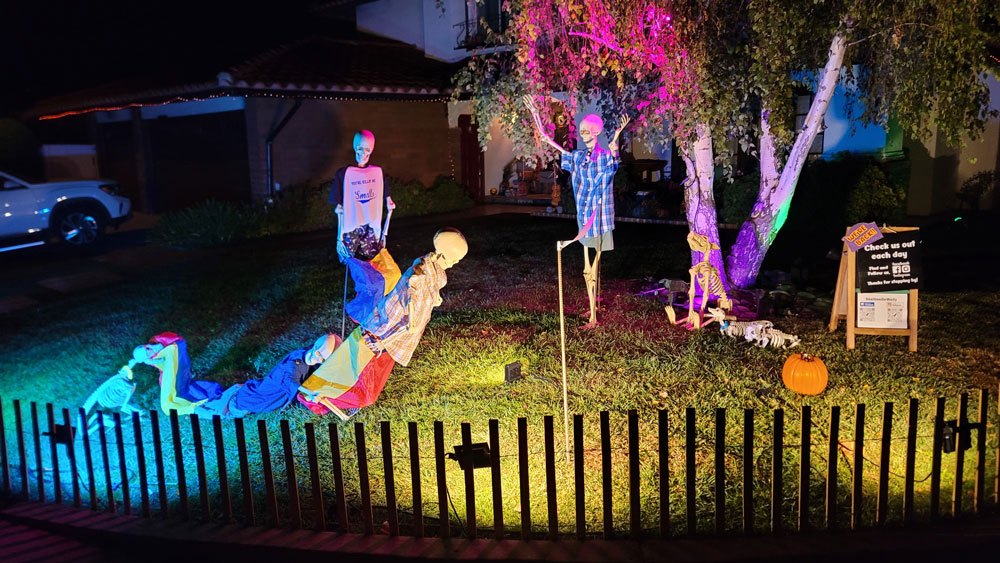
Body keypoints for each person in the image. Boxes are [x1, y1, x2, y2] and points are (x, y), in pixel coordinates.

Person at [298, 228, 469, 419]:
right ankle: (317, 397)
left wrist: (434, 299)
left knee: (361, 379)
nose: (455, 263)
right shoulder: (419, 275)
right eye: (453, 258)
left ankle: (334, 396)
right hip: (382, 335)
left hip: (395, 342)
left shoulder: (436, 271)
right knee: (363, 388)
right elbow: (409, 307)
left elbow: (431, 291)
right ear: (441, 253)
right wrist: (394, 334)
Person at [524, 96, 630, 328]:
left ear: (596, 132)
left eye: (587, 130)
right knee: (586, 268)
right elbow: (549, 140)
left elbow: (612, 165)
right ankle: (592, 310)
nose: (583, 134)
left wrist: (615, 146)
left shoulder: (604, 157)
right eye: (581, 130)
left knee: (593, 268)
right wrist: (536, 115)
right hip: (584, 216)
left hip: (599, 218)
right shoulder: (579, 157)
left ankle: (593, 317)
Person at [329, 130, 401, 325]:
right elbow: (337, 200)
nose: (363, 153)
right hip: (351, 230)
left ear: (372, 150)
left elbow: (384, 190)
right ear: (355, 148)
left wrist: (388, 201)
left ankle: (372, 304)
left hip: (370, 229)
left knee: (388, 273)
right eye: (360, 149)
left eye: (367, 150)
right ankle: (359, 310)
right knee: (366, 276)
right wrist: (339, 209)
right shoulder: (345, 174)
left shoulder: (377, 173)